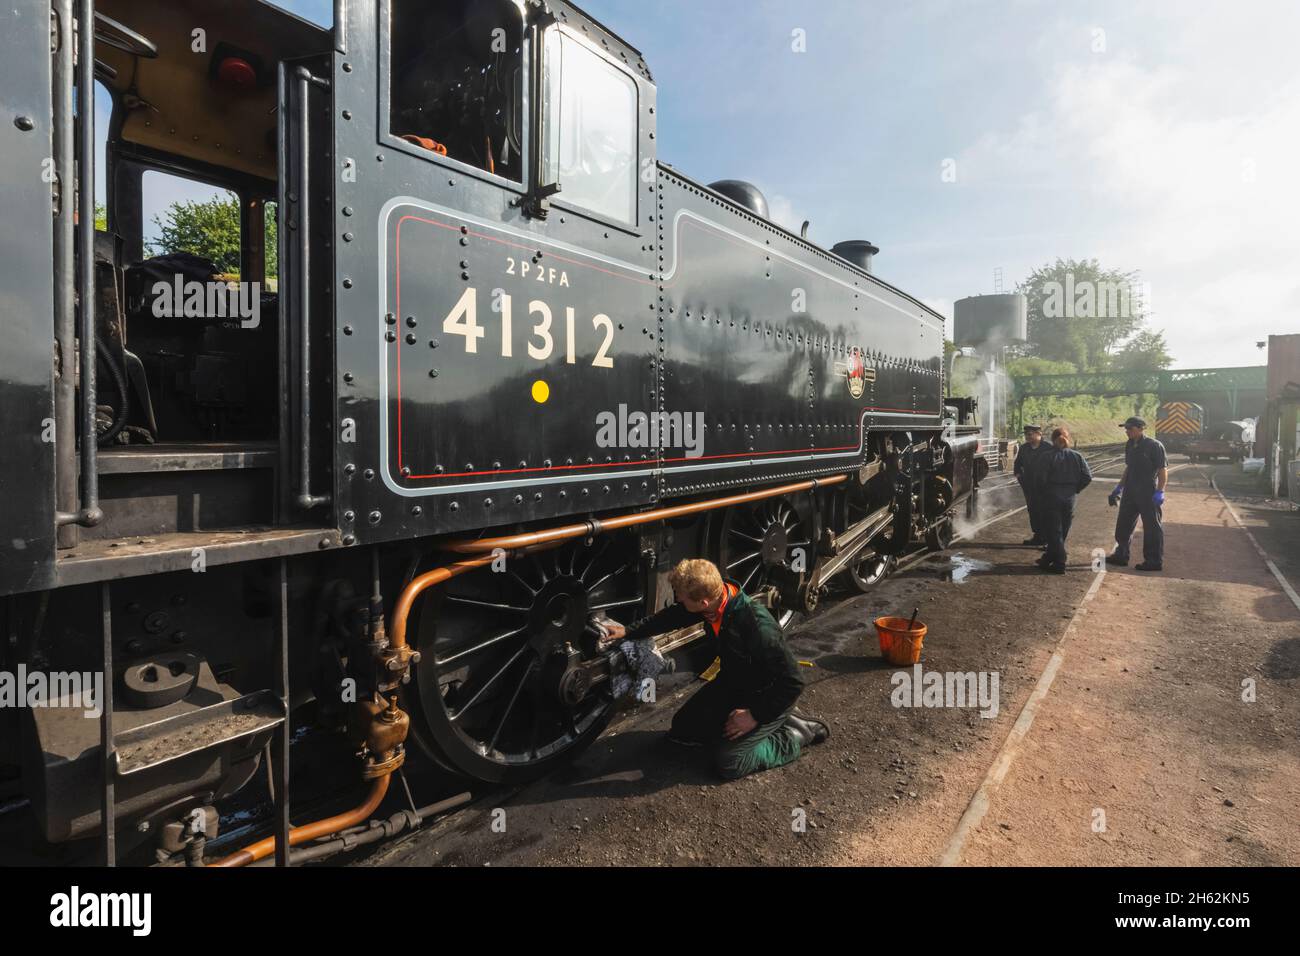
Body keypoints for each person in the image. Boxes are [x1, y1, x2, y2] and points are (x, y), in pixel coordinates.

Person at [601, 558, 829, 780]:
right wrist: (628, 631)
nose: (678, 598)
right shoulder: (711, 601)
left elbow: (793, 682)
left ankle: (795, 734)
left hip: (767, 695)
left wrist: (754, 715)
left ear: (703, 602)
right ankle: (766, 724)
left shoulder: (758, 627)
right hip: (735, 684)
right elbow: (671, 617)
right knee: (683, 730)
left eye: (681, 596)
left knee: (729, 762)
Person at [1106, 416, 1168, 571]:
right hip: (1130, 490)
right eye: (1126, 429)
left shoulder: (1154, 446)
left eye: (1130, 429)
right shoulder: (1130, 444)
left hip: (1148, 491)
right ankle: (1121, 555)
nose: (1127, 431)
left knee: (1152, 527)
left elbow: (1162, 470)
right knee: (1123, 525)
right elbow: (1129, 468)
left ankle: (1154, 561)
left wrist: (1160, 491)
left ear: (1141, 429)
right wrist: (1119, 488)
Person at [1033, 426, 1092, 574]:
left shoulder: (1046, 456)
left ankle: (1060, 563)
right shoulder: (1077, 456)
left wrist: (1042, 493)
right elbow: (1087, 477)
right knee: (1062, 531)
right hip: (1070, 498)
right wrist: (1076, 489)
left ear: (1052, 440)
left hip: (1051, 497)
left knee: (1054, 532)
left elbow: (1039, 479)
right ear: (1068, 439)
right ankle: (1048, 559)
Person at [1013, 424, 1054, 547]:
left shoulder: (1048, 448)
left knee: (1045, 511)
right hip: (1029, 486)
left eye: (1030, 434)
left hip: (1045, 487)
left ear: (1039, 434)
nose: (1027, 436)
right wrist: (1019, 475)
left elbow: (1054, 465)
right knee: (1033, 511)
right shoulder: (1024, 448)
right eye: (1026, 434)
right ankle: (1037, 535)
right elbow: (1017, 464)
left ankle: (1047, 537)